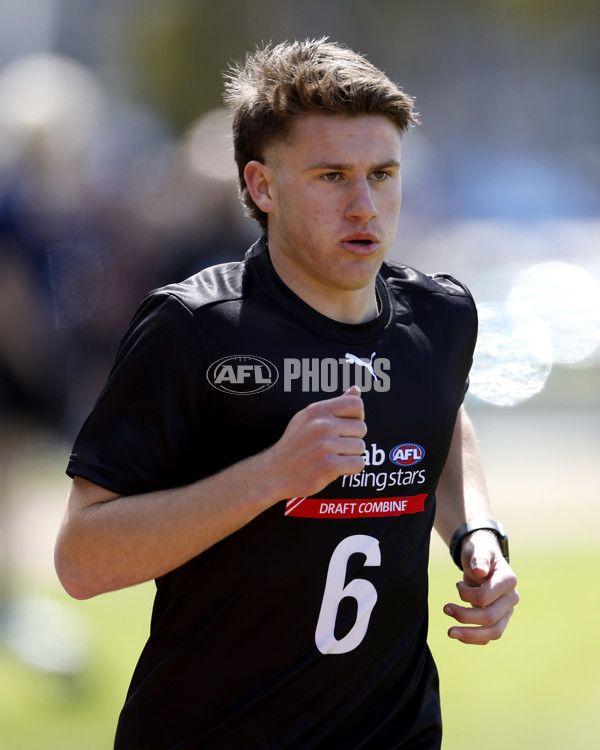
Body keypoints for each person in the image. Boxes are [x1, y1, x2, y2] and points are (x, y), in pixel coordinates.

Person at [55, 38, 519, 749]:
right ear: (263, 187)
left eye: (383, 173)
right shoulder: (194, 328)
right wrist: (272, 475)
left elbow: (441, 417)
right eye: (331, 176)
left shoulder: (441, 314)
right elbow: (81, 560)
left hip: (395, 732)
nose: (365, 204)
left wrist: (475, 535)